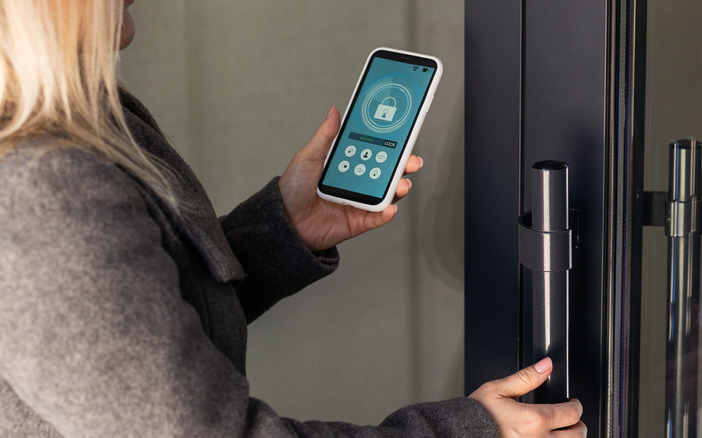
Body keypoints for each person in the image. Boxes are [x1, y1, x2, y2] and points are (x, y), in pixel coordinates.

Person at [0, 1, 586, 437]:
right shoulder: (41, 184)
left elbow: (140, 315)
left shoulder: (92, 116)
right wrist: (466, 430)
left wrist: (284, 228)